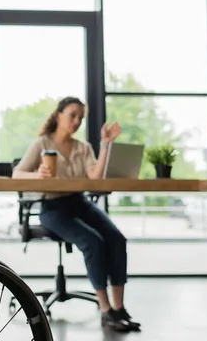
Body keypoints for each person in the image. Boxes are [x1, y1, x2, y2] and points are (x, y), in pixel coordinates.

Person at [12, 96, 141, 332]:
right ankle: (106, 310)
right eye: (72, 115)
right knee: (93, 242)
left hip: (80, 202)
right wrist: (37, 176)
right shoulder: (42, 144)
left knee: (116, 239)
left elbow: (95, 177)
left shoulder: (83, 148)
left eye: (81, 117)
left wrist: (105, 144)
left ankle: (119, 308)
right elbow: (17, 174)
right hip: (52, 207)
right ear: (59, 115)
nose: (77, 121)